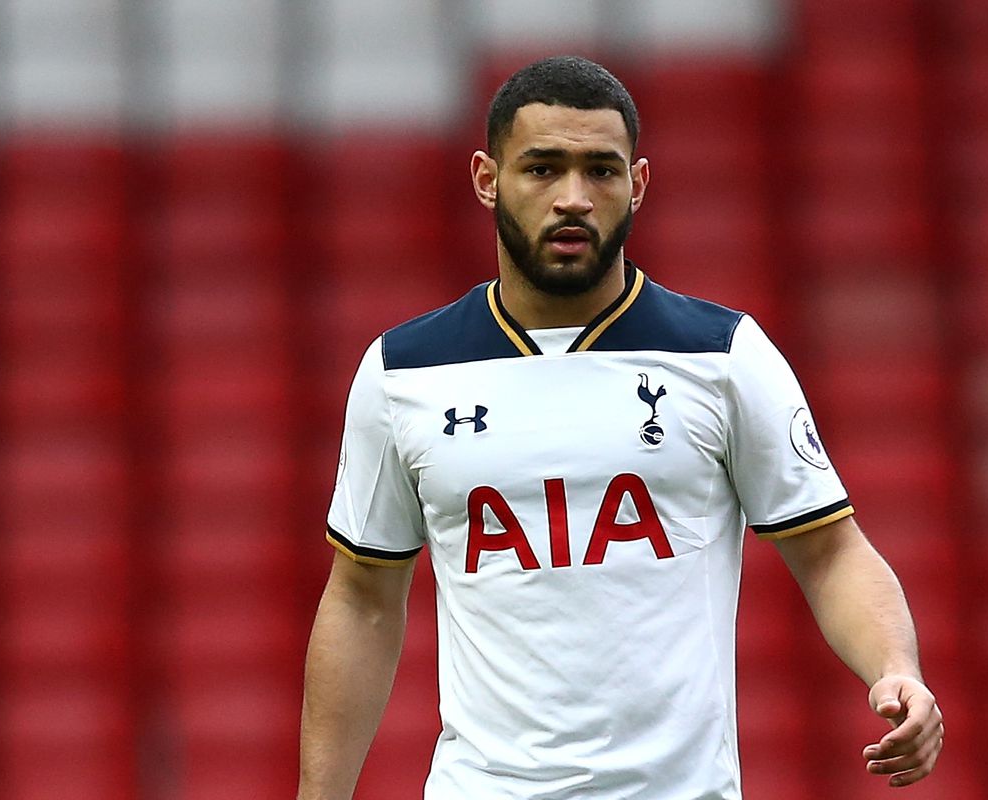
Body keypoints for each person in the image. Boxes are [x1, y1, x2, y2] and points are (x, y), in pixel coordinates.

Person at [298, 55, 943, 800]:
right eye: (543, 168)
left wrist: (896, 668)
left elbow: (830, 551)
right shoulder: (404, 372)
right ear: (487, 178)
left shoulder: (722, 356)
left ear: (637, 184)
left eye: (600, 171)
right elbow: (362, 599)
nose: (573, 198)